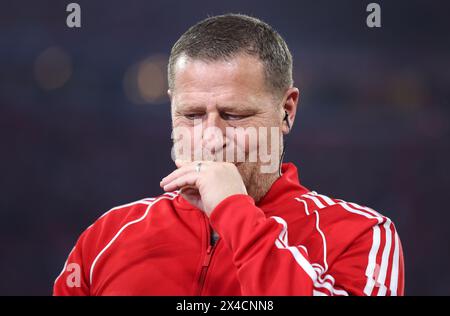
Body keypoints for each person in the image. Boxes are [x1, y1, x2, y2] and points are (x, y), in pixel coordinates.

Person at [53, 13, 404, 296]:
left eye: (234, 115)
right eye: (191, 115)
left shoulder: (362, 235)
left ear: (287, 110)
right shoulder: (107, 235)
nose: (211, 138)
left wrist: (233, 210)